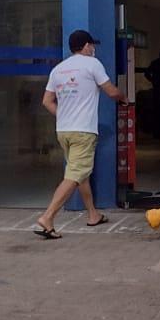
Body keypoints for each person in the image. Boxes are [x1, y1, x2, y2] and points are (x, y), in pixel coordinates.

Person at [35, 29, 125, 239]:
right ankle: (47, 217)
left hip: (64, 130)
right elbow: (111, 91)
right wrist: (124, 97)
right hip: (83, 130)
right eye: (92, 45)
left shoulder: (58, 69)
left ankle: (93, 214)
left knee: (80, 173)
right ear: (86, 46)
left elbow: (47, 101)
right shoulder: (92, 64)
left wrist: (64, 115)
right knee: (75, 175)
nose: (93, 48)